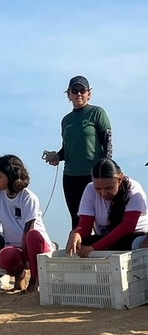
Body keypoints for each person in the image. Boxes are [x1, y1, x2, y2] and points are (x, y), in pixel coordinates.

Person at [44, 75, 112, 228]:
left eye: (82, 90)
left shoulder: (97, 113)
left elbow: (107, 141)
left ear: (89, 93)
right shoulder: (66, 120)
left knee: (102, 218)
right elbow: (66, 148)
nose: (79, 94)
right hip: (71, 176)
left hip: (94, 175)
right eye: (75, 90)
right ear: (69, 94)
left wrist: (106, 170)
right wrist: (57, 156)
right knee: (77, 220)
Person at [0, 154, 54, 293]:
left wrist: (27, 257)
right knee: (5, 257)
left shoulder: (28, 197)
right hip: (14, 246)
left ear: (11, 176)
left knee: (32, 236)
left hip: (35, 246)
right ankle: (19, 276)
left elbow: (29, 230)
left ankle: (34, 279)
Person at [65, 158, 148, 256]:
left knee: (130, 245)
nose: (103, 193)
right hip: (105, 236)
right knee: (78, 244)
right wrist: (77, 233)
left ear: (119, 179)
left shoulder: (133, 190)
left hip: (132, 236)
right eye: (98, 189)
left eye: (109, 188)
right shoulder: (90, 189)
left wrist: (94, 248)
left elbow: (127, 227)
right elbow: (85, 225)